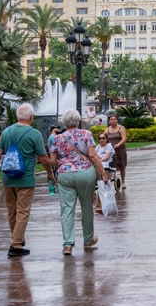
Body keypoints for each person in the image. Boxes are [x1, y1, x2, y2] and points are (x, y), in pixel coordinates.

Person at [0, 104, 49, 257]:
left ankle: (18, 238)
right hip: (26, 178)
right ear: (31, 117)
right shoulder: (34, 134)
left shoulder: (6, 131)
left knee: (12, 211)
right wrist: (50, 173)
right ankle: (15, 245)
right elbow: (43, 157)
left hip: (8, 177)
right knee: (23, 212)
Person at [51, 109, 106, 255]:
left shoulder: (58, 138)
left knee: (67, 209)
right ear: (78, 120)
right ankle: (88, 239)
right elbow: (93, 156)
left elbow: (52, 160)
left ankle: (67, 244)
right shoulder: (86, 134)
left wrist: (64, 166)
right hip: (85, 173)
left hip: (65, 175)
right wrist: (103, 173)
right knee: (87, 206)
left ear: (64, 121)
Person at [105, 114, 129, 191]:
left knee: (122, 165)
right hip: (110, 150)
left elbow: (124, 138)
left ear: (117, 120)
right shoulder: (107, 130)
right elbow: (104, 139)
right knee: (110, 165)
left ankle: (123, 181)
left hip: (120, 149)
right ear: (109, 121)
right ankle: (109, 181)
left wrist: (118, 144)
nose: (113, 121)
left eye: (114, 119)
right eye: (111, 119)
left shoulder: (121, 128)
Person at [94, 132, 116, 214]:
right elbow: (94, 155)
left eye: (103, 138)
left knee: (102, 184)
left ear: (106, 139)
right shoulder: (98, 147)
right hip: (99, 165)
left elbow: (106, 158)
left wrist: (98, 161)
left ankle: (98, 205)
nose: (101, 140)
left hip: (106, 165)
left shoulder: (109, 146)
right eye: (100, 138)